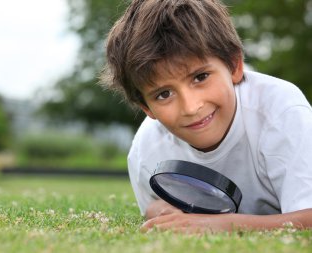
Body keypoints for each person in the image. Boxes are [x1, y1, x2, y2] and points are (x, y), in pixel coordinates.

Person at [100, 0, 312, 233]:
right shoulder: (146, 151)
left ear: (234, 65)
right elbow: (153, 206)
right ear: (146, 108)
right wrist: (165, 212)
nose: (191, 107)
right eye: (164, 94)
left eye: (200, 77)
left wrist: (220, 225)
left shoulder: (281, 112)